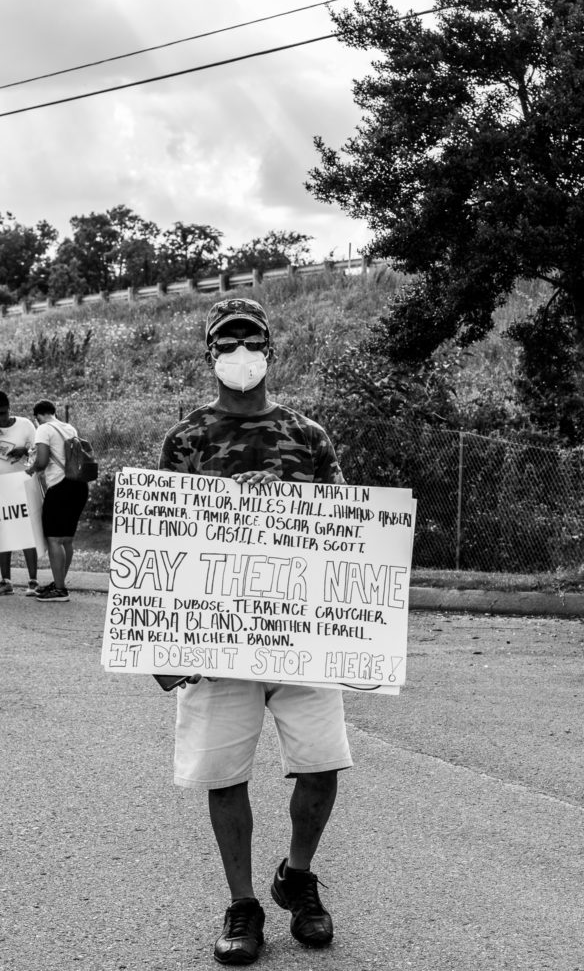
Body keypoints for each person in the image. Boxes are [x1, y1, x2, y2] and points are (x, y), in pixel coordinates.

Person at [159, 298, 351, 966]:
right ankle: (243, 902)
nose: (239, 349)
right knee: (224, 771)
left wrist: (359, 632)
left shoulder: (311, 435)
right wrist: (163, 640)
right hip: (219, 635)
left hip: (301, 630)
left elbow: (346, 536)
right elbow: (164, 542)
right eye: (225, 340)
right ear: (209, 353)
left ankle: (297, 875)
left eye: (250, 338)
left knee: (323, 766)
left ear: (270, 346)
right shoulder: (186, 439)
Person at [25, 399, 89, 603]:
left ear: (38, 416)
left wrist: (31, 469)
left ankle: (60, 589)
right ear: (54, 411)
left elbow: (42, 461)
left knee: (54, 539)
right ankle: (59, 582)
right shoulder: (69, 427)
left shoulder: (43, 429)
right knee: (67, 539)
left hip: (60, 486)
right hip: (79, 484)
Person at [0, 389, 40, 597]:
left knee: (26, 532)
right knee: (2, 532)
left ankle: (33, 581)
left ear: (9, 409)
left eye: (3, 413)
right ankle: (5, 580)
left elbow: (38, 450)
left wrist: (24, 451)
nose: (0, 418)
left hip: (21, 483)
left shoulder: (25, 425)